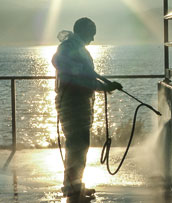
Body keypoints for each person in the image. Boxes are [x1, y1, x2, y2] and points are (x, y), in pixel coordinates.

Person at [52, 17, 122, 203]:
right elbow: (58, 61)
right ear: (83, 31)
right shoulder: (67, 47)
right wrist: (81, 71)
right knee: (77, 146)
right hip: (72, 103)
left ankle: (74, 186)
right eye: (91, 34)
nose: (93, 38)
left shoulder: (79, 49)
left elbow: (86, 78)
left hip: (79, 102)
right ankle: (73, 190)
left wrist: (105, 87)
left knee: (78, 146)